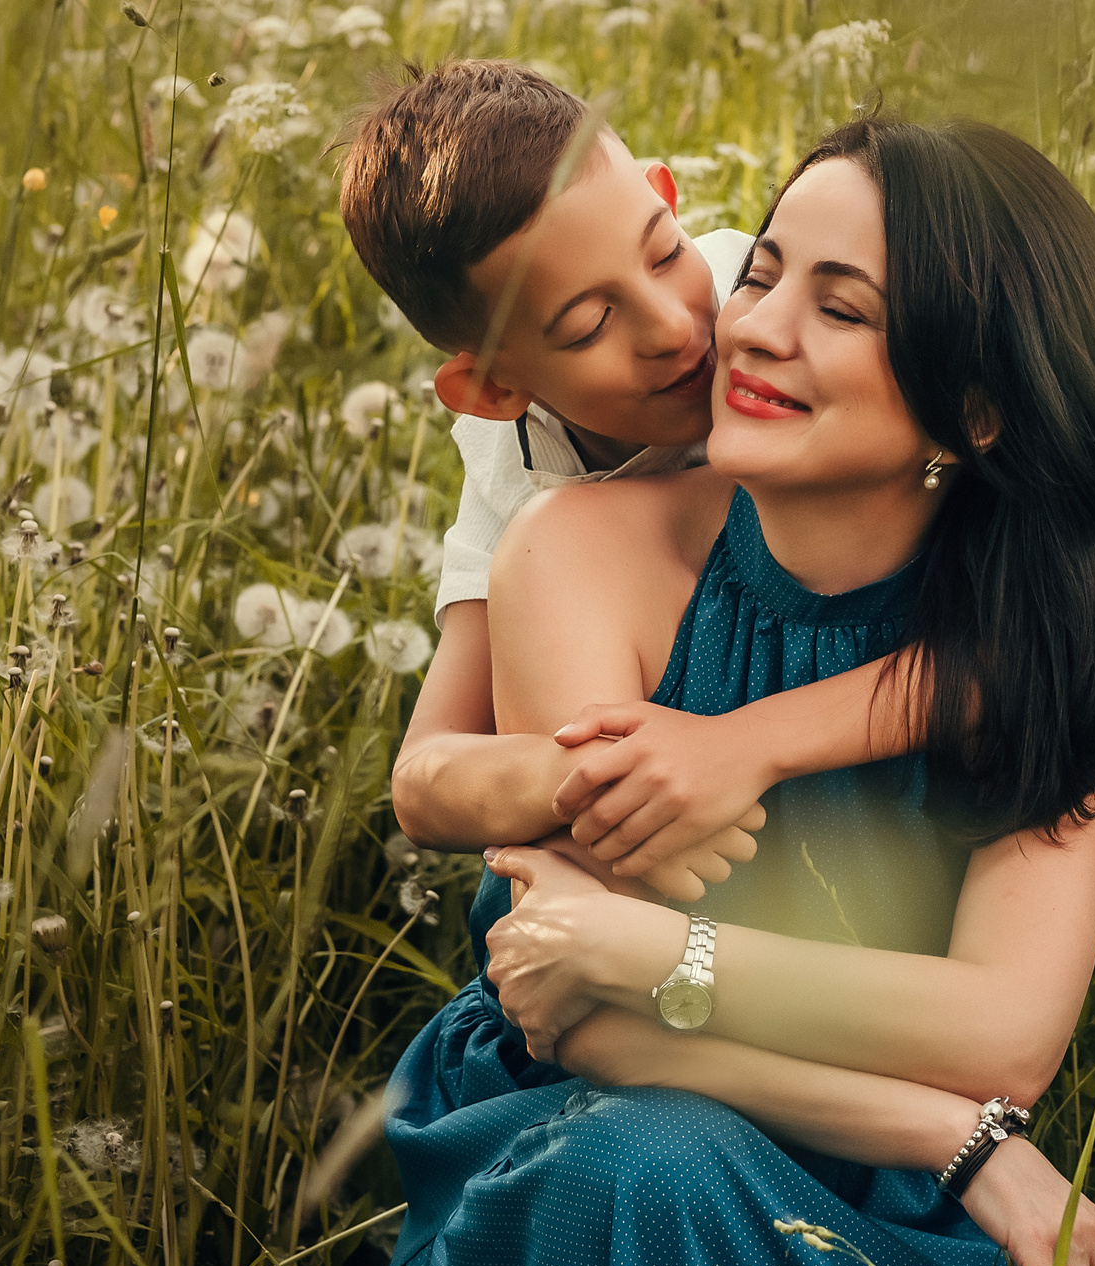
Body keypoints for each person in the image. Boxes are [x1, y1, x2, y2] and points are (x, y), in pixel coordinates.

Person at [381, 115, 1095, 1266]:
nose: (742, 325)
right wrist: (971, 1143)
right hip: (586, 1133)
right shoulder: (574, 543)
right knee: (648, 1169)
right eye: (757, 269)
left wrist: (661, 951)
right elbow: (588, 1017)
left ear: (974, 407)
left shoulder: (1041, 631)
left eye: (842, 308)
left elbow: (1004, 1036)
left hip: (875, 1192)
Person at [340, 62, 981, 895]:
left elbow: (1033, 647)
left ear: (665, 192)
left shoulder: (766, 312)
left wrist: (748, 742)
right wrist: (587, 779)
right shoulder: (525, 476)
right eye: (590, 323)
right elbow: (424, 776)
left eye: (664, 252)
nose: (679, 328)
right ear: (496, 390)